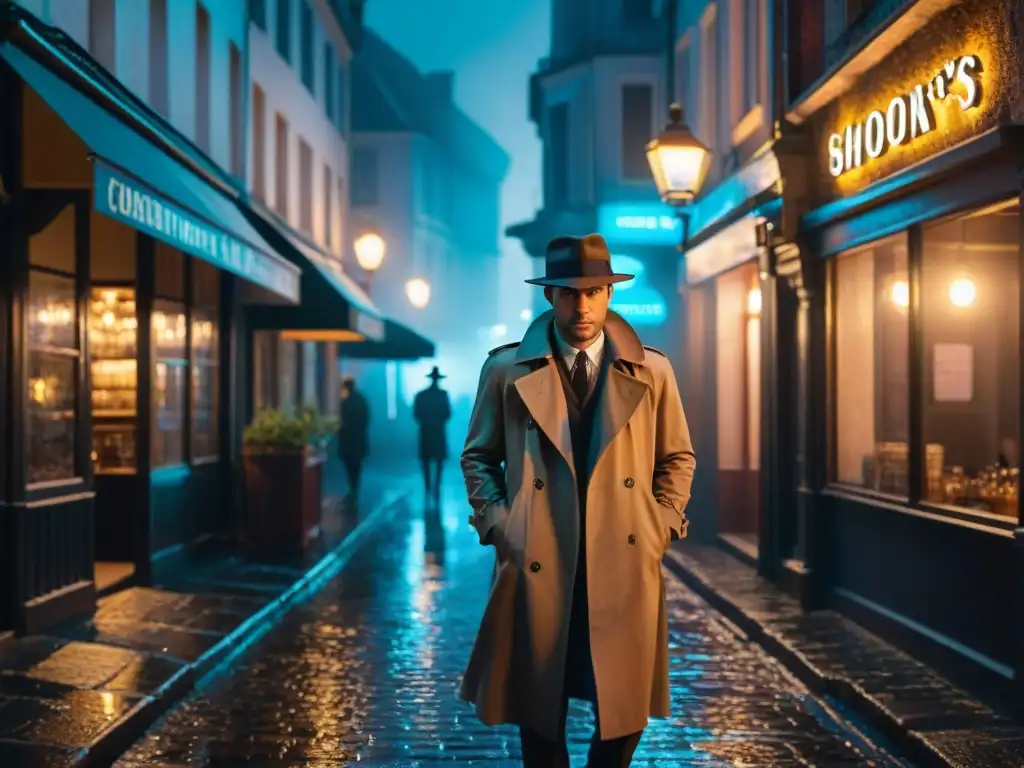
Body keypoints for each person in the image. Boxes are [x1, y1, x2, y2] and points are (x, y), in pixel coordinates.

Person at [459, 233, 695, 767]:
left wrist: (659, 524)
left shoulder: (653, 370)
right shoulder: (505, 370)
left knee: (625, 709)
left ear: (610, 294)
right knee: (538, 708)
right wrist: (503, 527)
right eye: (568, 293)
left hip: (624, 557)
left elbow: (677, 457)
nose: (581, 305)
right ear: (549, 297)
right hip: (541, 558)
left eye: (593, 292)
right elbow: (478, 456)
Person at [413, 366, 452, 508]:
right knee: (439, 463)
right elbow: (448, 414)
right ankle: (435, 487)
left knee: (426, 462)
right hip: (438, 433)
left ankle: (428, 487)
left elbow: (416, 415)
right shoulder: (443, 395)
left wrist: (427, 422)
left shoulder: (421, 395)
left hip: (426, 433)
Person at [337, 375, 370, 504]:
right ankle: (355, 488)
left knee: (349, 466)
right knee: (356, 466)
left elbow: (343, 422)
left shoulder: (345, 402)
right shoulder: (362, 400)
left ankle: (352, 488)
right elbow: (366, 419)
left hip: (348, 440)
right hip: (359, 439)